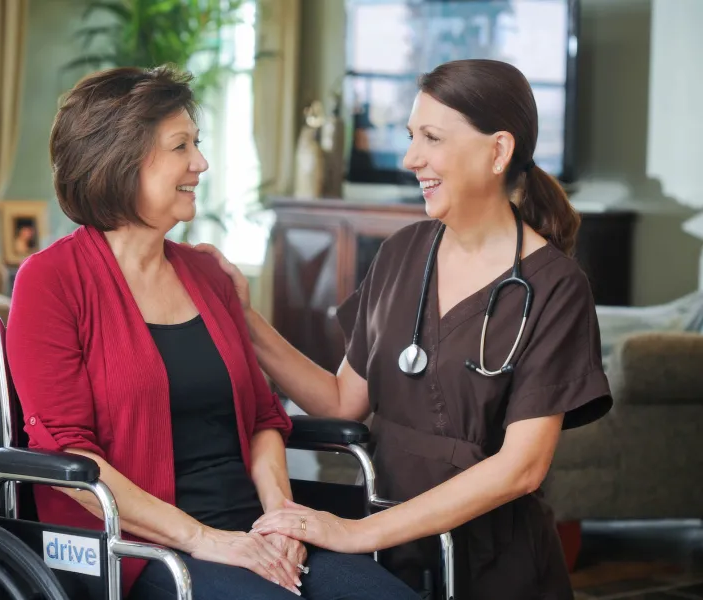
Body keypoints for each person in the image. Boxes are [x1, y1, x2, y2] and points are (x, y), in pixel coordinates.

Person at [193, 59, 614, 600]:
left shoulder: (555, 287)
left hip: (497, 568)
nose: (412, 158)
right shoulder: (402, 254)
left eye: (432, 138)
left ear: (498, 151)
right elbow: (343, 401)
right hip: (392, 554)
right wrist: (243, 319)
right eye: (411, 136)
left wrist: (356, 531)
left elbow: (522, 467)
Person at [4, 65, 421, 600]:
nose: (201, 163)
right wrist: (204, 540)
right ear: (120, 161)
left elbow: (262, 418)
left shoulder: (207, 275)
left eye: (196, 145)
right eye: (182, 146)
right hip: (136, 548)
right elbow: (70, 455)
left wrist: (281, 516)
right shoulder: (52, 281)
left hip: (250, 528)